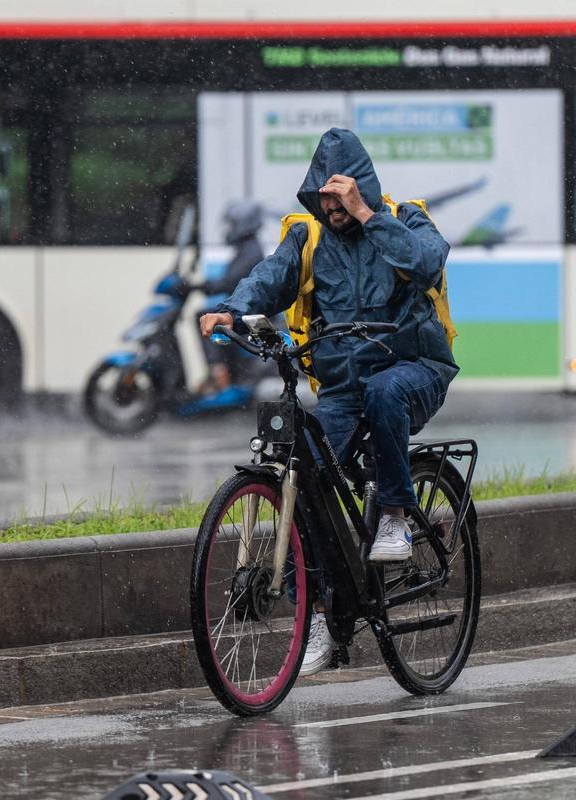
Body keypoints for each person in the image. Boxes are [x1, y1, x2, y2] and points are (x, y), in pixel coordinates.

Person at [198, 128, 456, 675]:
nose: (333, 211)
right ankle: (317, 615)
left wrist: (367, 214)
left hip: (415, 369)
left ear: (362, 189)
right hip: (342, 387)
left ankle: (394, 515)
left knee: (386, 391)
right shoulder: (309, 235)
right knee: (305, 477)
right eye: (326, 202)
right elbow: (271, 276)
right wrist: (233, 309)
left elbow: (426, 263)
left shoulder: (405, 219)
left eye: (341, 201)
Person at [190, 199, 266, 394]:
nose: (229, 229)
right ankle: (223, 371)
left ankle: (219, 371)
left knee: (205, 316)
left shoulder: (250, 250)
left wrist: (197, 286)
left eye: (232, 223)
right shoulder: (247, 248)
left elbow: (230, 281)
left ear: (243, 223)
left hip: (251, 313)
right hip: (247, 308)